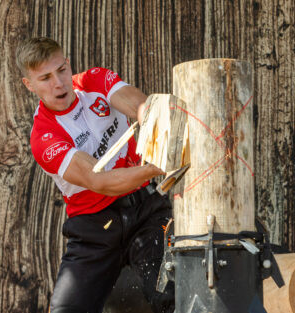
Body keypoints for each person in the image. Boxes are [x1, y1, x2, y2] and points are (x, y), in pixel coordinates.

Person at [15, 37, 174, 313]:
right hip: (93, 230)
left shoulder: (93, 80)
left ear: (69, 64)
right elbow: (99, 182)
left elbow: (142, 107)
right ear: (29, 85)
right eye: (45, 78)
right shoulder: (43, 136)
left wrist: (157, 122)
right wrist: (158, 167)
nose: (58, 83)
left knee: (176, 295)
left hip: (146, 210)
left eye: (61, 70)